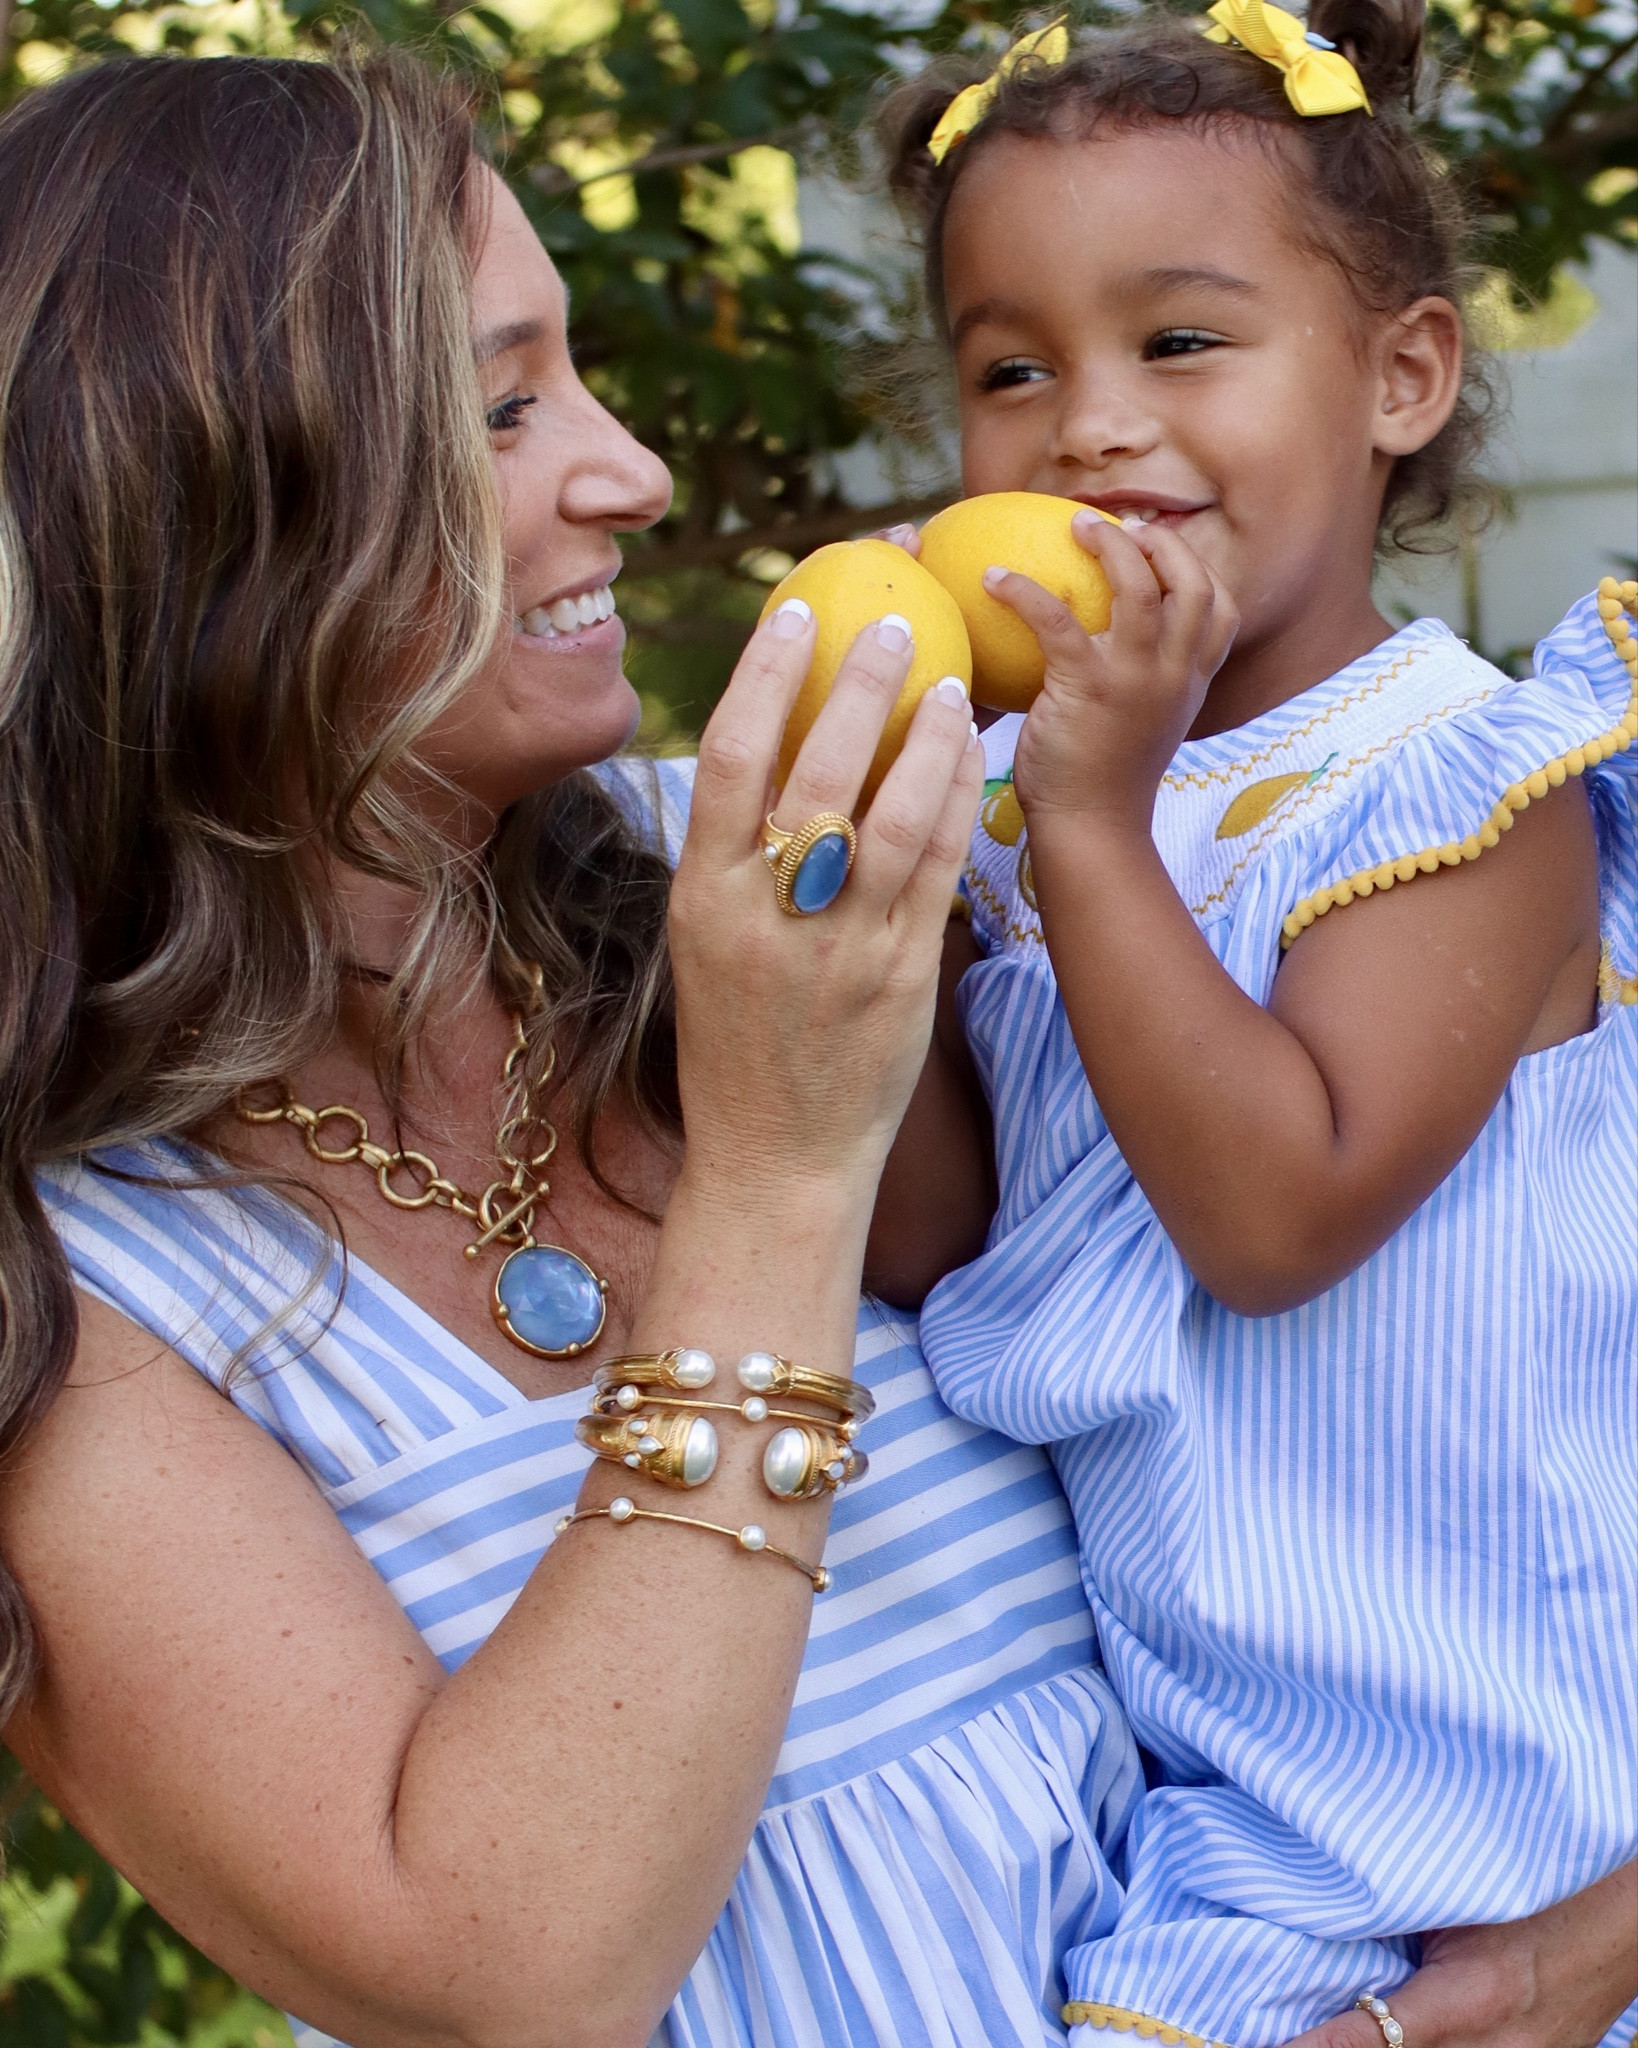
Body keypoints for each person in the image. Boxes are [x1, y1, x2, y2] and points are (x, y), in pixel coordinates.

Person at [0, 52, 1148, 2048]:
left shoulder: (780, 865)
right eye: (507, 406)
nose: (634, 477)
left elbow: (1417, 1371)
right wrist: (786, 1179)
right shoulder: (70, 1284)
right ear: (209, 511)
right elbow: (504, 1969)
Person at [867, 4, 1638, 2045]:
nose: (1090, 427)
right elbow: (942, 1236)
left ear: (1400, 378)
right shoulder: (1054, 807)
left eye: (1179, 343)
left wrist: (1089, 826)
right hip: (1222, 1769)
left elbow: (1275, 1214)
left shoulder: (1461, 788)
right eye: (1010, 369)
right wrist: (904, 898)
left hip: (1471, 1772)